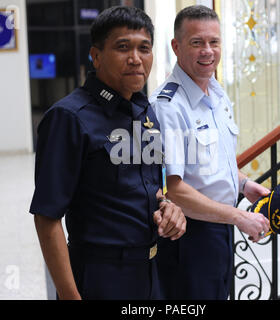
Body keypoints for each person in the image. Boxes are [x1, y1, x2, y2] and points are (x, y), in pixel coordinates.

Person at [29, 6, 186, 300]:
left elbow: (150, 186)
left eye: (145, 48)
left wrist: (169, 207)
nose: (136, 59)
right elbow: (46, 217)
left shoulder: (144, 110)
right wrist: (69, 295)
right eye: (122, 47)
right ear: (96, 55)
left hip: (151, 270)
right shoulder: (69, 118)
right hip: (101, 276)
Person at [150, 5, 270, 300]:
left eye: (214, 42)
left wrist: (243, 184)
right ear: (176, 46)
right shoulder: (169, 106)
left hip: (220, 228)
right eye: (197, 43)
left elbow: (212, 161)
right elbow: (173, 190)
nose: (208, 51)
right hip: (189, 237)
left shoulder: (216, 93)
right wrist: (238, 217)